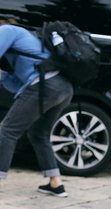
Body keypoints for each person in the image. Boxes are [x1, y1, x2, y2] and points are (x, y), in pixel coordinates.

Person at [0, 19, 73, 197]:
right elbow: (19, 87)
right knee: (38, 134)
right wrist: (3, 76)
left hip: (45, 85)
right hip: (64, 88)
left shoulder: (8, 30)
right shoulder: (28, 41)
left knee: (7, 130)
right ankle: (56, 184)